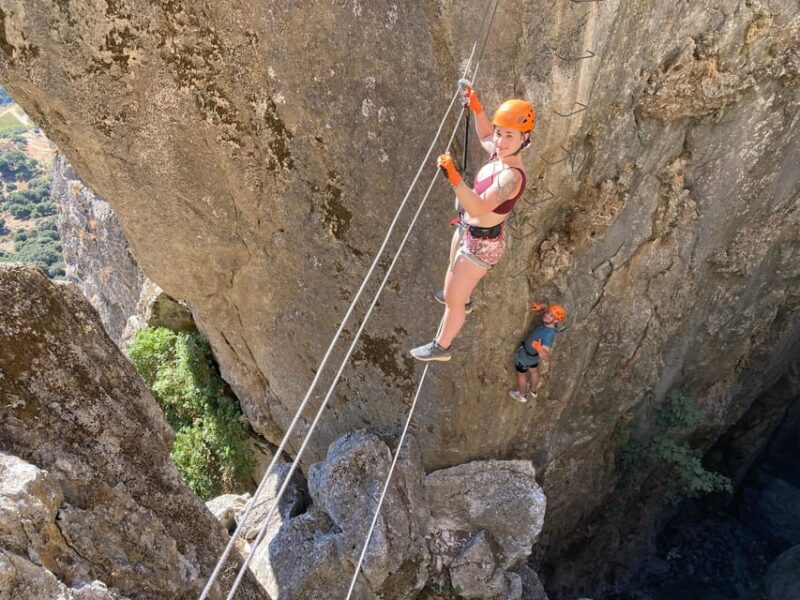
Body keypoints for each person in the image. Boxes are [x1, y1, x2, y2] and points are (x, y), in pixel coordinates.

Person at [410, 88, 535, 361]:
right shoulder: (500, 154)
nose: (500, 140)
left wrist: (454, 178)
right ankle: (459, 297)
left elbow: (477, 206)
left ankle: (441, 347)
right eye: (501, 132)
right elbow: (485, 135)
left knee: (453, 302)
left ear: (525, 139)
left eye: (508, 135)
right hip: (469, 231)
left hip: (482, 245)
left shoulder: (511, 177)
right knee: (451, 279)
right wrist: (478, 109)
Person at [509, 303, 566, 402]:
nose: (547, 315)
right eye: (548, 313)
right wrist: (541, 308)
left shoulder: (548, 335)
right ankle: (533, 390)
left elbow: (546, 355)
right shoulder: (551, 323)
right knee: (533, 371)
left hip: (525, 356)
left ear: (556, 320)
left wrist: (539, 348)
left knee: (521, 374)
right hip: (533, 357)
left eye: (551, 315)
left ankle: (522, 395)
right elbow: (548, 309)